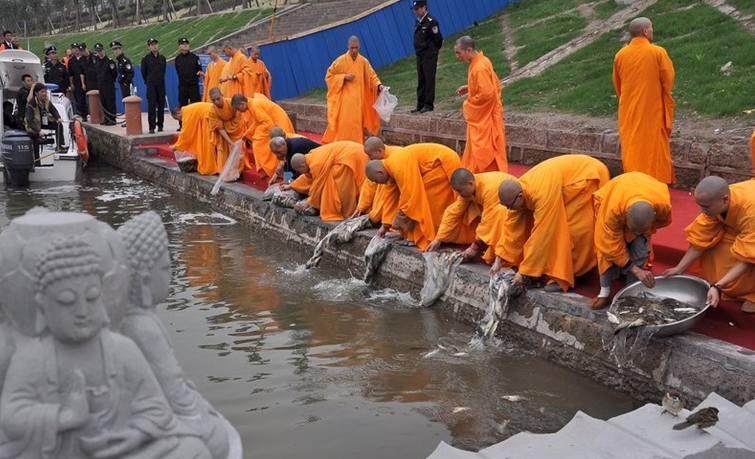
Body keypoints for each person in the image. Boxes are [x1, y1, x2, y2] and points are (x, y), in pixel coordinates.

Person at [0, 236, 213, 459]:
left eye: (91, 297)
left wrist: (135, 434)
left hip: (121, 446)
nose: (82, 310)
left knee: (195, 450)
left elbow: (156, 408)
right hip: (56, 452)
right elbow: (10, 418)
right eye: (66, 301)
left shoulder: (122, 350)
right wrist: (66, 417)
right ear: (43, 305)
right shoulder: (32, 358)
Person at [117, 212, 231, 459]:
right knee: (213, 440)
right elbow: (176, 395)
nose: (171, 274)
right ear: (145, 277)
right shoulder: (142, 327)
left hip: (144, 411)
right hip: (145, 417)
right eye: (166, 267)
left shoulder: (135, 318)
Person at [494, 155, 610, 292]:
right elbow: (511, 227)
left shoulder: (540, 194)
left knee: (574, 230)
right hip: (561, 182)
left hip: (586, 177)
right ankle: (541, 270)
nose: (508, 209)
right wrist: (499, 260)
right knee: (528, 223)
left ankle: (564, 275)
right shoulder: (518, 193)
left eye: (509, 206)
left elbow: (542, 233)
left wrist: (524, 272)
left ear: (520, 197)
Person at [662, 176, 755, 313]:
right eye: (700, 205)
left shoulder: (749, 212)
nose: (702, 211)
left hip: (751, 225)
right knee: (714, 250)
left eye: (705, 207)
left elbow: (748, 256)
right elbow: (701, 238)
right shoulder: (714, 203)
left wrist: (718, 286)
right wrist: (679, 268)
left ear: (725, 199)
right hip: (741, 228)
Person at [589, 172, 673, 309]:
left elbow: (663, 221)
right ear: (626, 215)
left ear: (654, 216)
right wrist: (636, 270)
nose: (636, 233)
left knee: (641, 249)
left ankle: (630, 293)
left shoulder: (662, 205)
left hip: (642, 212)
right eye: (633, 229)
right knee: (605, 253)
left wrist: (640, 232)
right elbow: (609, 246)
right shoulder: (612, 210)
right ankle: (604, 292)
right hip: (616, 195)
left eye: (640, 230)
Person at [613, 17, 676, 184]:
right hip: (651, 108)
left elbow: (617, 83)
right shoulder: (657, 52)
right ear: (646, 31)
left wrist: (628, 99)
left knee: (632, 144)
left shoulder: (620, 55)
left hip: (628, 109)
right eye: (651, 28)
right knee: (653, 145)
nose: (652, 31)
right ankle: (656, 180)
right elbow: (668, 79)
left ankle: (633, 180)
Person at [365, 142, 461, 250]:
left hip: (439, 163)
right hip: (433, 165)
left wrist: (400, 220)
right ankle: (424, 236)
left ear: (380, 172)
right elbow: (390, 199)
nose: (378, 184)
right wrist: (385, 226)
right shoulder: (390, 169)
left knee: (427, 203)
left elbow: (411, 197)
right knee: (417, 203)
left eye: (376, 180)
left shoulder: (398, 166)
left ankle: (427, 237)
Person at [427, 169, 515, 264]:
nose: (460, 194)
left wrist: (474, 247)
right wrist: (439, 239)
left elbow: (488, 220)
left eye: (460, 191)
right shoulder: (468, 191)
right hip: (493, 206)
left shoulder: (488, 189)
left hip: (513, 204)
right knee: (459, 211)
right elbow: (453, 213)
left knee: (497, 215)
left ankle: (503, 253)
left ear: (470, 184)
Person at [454, 36, 508, 173]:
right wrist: (470, 88)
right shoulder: (483, 60)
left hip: (486, 118)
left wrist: (468, 104)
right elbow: (491, 84)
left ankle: (483, 179)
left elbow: (487, 95)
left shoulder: (479, 67)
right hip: (489, 115)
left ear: (469, 50)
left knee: (484, 150)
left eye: (458, 53)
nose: (457, 57)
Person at [283, 141, 369, 221]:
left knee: (338, 180)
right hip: (355, 150)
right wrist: (292, 185)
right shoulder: (311, 156)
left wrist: (308, 202)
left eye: (300, 171)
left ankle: (348, 212)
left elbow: (317, 186)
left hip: (354, 155)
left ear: (302, 166)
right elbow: (309, 176)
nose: (301, 173)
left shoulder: (316, 165)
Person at [322, 36, 385, 144]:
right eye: (352, 48)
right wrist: (343, 77)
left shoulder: (363, 62)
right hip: (345, 102)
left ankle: (357, 147)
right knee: (344, 125)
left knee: (357, 125)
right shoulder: (340, 61)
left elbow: (372, 76)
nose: (354, 50)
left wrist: (379, 86)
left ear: (359, 46)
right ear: (348, 46)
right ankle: (342, 146)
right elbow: (329, 76)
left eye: (356, 48)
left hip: (359, 102)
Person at [235, 94, 295, 179]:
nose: (239, 111)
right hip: (273, 122)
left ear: (241, 104)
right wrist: (248, 134)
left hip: (278, 121)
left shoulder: (254, 106)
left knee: (279, 149)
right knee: (266, 145)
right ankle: (272, 170)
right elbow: (257, 122)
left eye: (238, 109)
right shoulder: (252, 105)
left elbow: (268, 123)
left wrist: (258, 135)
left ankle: (284, 174)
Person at [353, 137, 403, 223]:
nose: (369, 159)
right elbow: (370, 183)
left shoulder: (394, 159)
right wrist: (361, 207)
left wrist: (377, 218)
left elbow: (389, 192)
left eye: (370, 155)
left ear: (379, 151)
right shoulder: (380, 159)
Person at [208, 90, 250, 180]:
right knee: (222, 150)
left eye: (218, 99)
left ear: (222, 95)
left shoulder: (232, 104)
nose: (216, 102)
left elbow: (239, 119)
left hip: (236, 129)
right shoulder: (212, 110)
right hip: (224, 132)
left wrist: (227, 125)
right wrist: (230, 142)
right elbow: (219, 128)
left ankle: (237, 171)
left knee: (238, 149)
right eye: (213, 100)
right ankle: (225, 172)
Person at [411, 0, 442, 114]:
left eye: (417, 9)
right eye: (414, 9)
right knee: (421, 80)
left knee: (429, 79)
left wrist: (432, 51)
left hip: (429, 55)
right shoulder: (418, 22)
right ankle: (420, 104)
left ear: (424, 8)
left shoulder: (431, 21)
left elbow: (438, 39)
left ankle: (428, 104)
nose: (415, 11)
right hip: (420, 55)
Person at [170, 102, 218, 175]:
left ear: (179, 114)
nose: (180, 121)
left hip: (208, 117)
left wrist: (176, 146)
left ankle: (210, 167)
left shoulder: (186, 114)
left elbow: (186, 133)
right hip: (211, 113)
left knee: (207, 145)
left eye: (178, 119)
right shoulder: (188, 109)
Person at [25, 84, 64, 164]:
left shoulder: (46, 100)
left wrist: (58, 118)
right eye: (42, 92)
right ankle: (37, 164)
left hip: (43, 121)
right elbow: (29, 120)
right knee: (35, 145)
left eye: (45, 92)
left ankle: (60, 146)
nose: (44, 94)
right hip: (33, 125)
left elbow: (53, 110)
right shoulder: (31, 104)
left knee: (58, 125)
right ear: (36, 93)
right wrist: (38, 131)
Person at [175, 37, 203, 131]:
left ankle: (198, 124)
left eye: (187, 43)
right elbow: (178, 72)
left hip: (193, 85)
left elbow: (199, 69)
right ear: (179, 46)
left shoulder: (195, 57)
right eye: (183, 44)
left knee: (196, 105)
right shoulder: (177, 59)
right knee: (183, 106)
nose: (185, 45)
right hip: (183, 86)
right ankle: (183, 124)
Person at [141, 37, 167, 134]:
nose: (154, 46)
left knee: (161, 105)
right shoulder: (146, 59)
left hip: (160, 84)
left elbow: (163, 71)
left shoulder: (162, 58)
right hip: (151, 85)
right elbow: (144, 73)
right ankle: (151, 127)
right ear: (149, 47)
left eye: (155, 44)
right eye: (152, 44)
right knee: (152, 106)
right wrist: (148, 81)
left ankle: (160, 125)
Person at [93, 43, 117, 126]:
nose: (99, 53)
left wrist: (110, 81)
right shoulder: (96, 61)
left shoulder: (109, 61)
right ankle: (106, 118)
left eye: (100, 50)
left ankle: (112, 119)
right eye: (97, 51)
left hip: (108, 84)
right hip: (100, 85)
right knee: (103, 102)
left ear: (103, 50)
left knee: (110, 101)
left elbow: (114, 73)